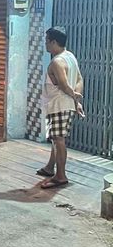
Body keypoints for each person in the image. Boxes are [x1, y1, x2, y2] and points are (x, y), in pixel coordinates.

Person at [37, 27, 84, 189]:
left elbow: (64, 85)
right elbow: (79, 79)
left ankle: (61, 176)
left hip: (59, 105)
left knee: (58, 140)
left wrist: (74, 96)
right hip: (66, 104)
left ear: (54, 42)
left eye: (47, 41)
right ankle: (50, 167)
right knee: (56, 137)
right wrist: (76, 99)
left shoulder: (57, 62)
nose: (45, 44)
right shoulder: (70, 56)